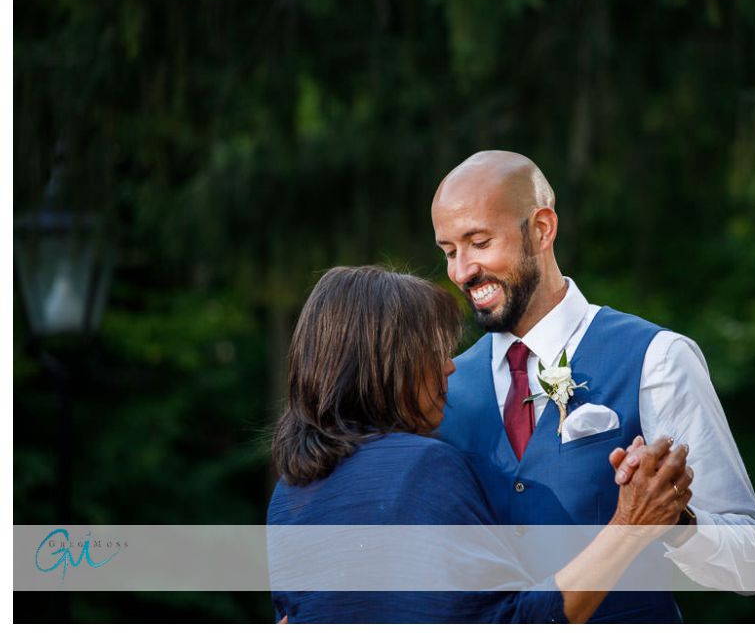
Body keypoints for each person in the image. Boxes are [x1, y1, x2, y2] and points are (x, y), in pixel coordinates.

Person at [432, 150, 755, 622]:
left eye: (479, 242)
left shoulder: (657, 357)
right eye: (449, 251)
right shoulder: (440, 389)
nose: (461, 271)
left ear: (541, 229)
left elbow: (754, 562)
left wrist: (675, 522)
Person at [267, 265, 694, 623]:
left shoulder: (289, 495)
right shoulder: (421, 468)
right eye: (432, 350)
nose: (450, 367)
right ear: (387, 364)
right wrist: (630, 525)